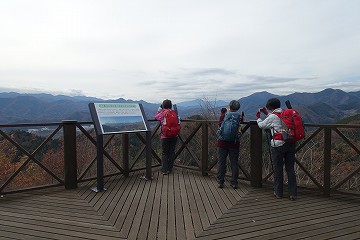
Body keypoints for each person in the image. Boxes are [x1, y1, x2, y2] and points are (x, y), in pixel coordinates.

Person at [256, 98, 297, 200]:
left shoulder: (273, 116)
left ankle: (279, 192)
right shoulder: (286, 113)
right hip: (291, 143)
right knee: (290, 169)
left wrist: (258, 118)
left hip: (278, 145)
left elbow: (262, 125)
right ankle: (293, 193)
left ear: (269, 108)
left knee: (278, 168)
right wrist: (267, 113)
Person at [217, 100, 242, 189]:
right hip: (234, 143)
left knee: (221, 162)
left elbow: (220, 125)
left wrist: (223, 112)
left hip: (222, 142)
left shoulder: (224, 116)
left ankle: (220, 182)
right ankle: (234, 182)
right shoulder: (239, 117)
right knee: (234, 162)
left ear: (229, 107)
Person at [155, 99, 179, 175]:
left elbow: (156, 117)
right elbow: (178, 122)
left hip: (165, 136)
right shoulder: (174, 113)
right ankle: (170, 168)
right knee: (172, 152)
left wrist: (159, 109)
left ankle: (164, 170)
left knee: (165, 153)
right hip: (175, 135)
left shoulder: (163, 113)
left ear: (163, 106)